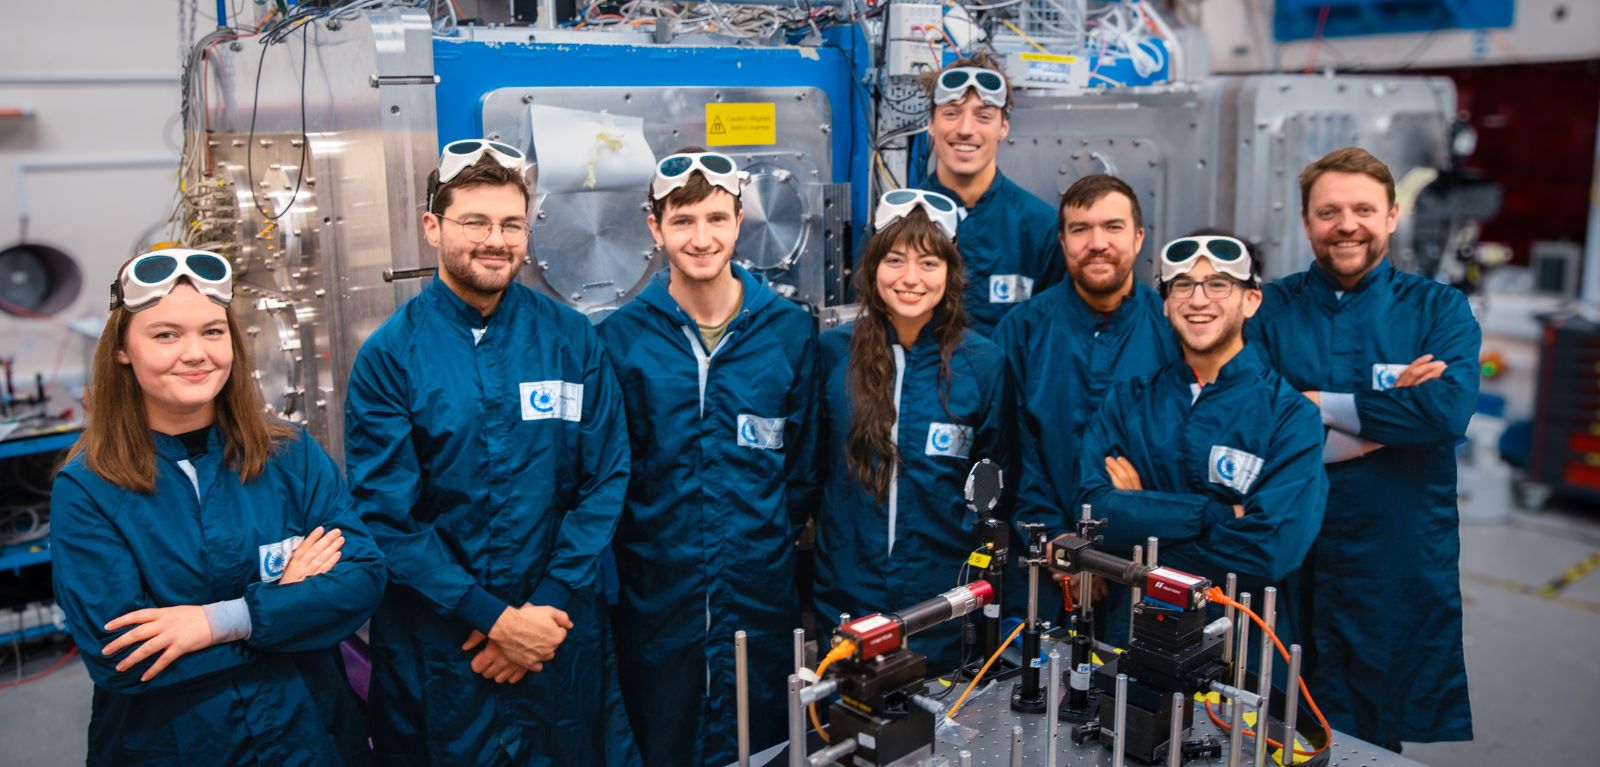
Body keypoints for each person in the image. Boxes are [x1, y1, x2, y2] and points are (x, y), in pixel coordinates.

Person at [344, 139, 636, 764]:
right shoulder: (390, 358)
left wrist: (546, 607)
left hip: (556, 636)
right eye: (475, 221)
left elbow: (606, 477)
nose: (495, 240)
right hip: (444, 645)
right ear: (432, 226)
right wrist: (496, 621)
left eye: (511, 224)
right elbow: (386, 517)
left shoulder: (570, 339)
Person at [51, 248, 385, 765]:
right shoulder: (89, 487)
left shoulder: (289, 453)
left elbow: (363, 579)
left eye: (212, 331)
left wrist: (219, 621)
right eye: (166, 335)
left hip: (308, 735)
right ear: (122, 349)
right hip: (176, 745)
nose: (196, 353)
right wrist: (289, 603)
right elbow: (123, 658)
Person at [1247, 147, 1479, 749]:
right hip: (1292, 552)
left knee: (1373, 728)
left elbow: (1446, 411)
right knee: (1276, 719)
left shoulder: (1439, 309)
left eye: (1362, 209)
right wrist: (1390, 422)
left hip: (1392, 556)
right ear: (1306, 223)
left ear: (1392, 216)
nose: (1345, 224)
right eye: (1328, 212)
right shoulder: (1268, 309)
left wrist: (1317, 404)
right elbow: (1252, 427)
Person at [597, 149, 818, 766]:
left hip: (759, 596)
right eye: (684, 220)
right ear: (655, 227)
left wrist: (755, 539)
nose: (701, 238)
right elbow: (610, 481)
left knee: (764, 743)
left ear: (740, 220)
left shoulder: (788, 332)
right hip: (655, 600)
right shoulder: (619, 341)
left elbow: (800, 474)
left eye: (717, 219)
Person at [1073, 234, 1327, 646]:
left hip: (1240, 648)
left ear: (1251, 301)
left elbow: (1271, 550)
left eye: (1218, 284)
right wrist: (1220, 515)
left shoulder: (1291, 416)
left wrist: (1138, 529)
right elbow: (1094, 514)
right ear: (1166, 303)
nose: (1198, 299)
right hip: (1131, 635)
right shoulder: (1127, 401)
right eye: (1183, 286)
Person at [812, 188, 1014, 671]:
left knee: (939, 735)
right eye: (895, 260)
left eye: (928, 263)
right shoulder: (831, 353)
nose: (910, 279)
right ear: (872, 265)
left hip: (942, 600)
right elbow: (809, 472)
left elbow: (999, 486)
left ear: (951, 271)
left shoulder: (983, 364)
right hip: (848, 590)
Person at [992, 174, 1180, 539]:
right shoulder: (1023, 329)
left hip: (1142, 549)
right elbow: (1010, 444)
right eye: (1080, 230)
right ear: (1062, 241)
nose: (1098, 243)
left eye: (1113, 227)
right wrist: (1050, 535)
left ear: (1138, 238)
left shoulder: (1172, 330)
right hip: (1041, 556)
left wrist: (1139, 512)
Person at [918, 54, 1063, 335]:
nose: (965, 130)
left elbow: (1054, 336)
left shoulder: (1041, 228)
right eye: (951, 113)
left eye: (984, 116)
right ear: (931, 124)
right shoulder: (896, 222)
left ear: (1003, 128)